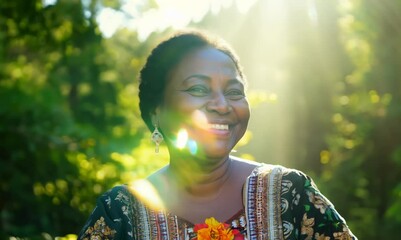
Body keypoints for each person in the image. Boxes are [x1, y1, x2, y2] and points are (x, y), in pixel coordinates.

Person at [78, 30, 357, 240]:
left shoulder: (291, 192)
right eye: (198, 89)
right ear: (156, 112)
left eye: (234, 92)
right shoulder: (120, 212)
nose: (222, 105)